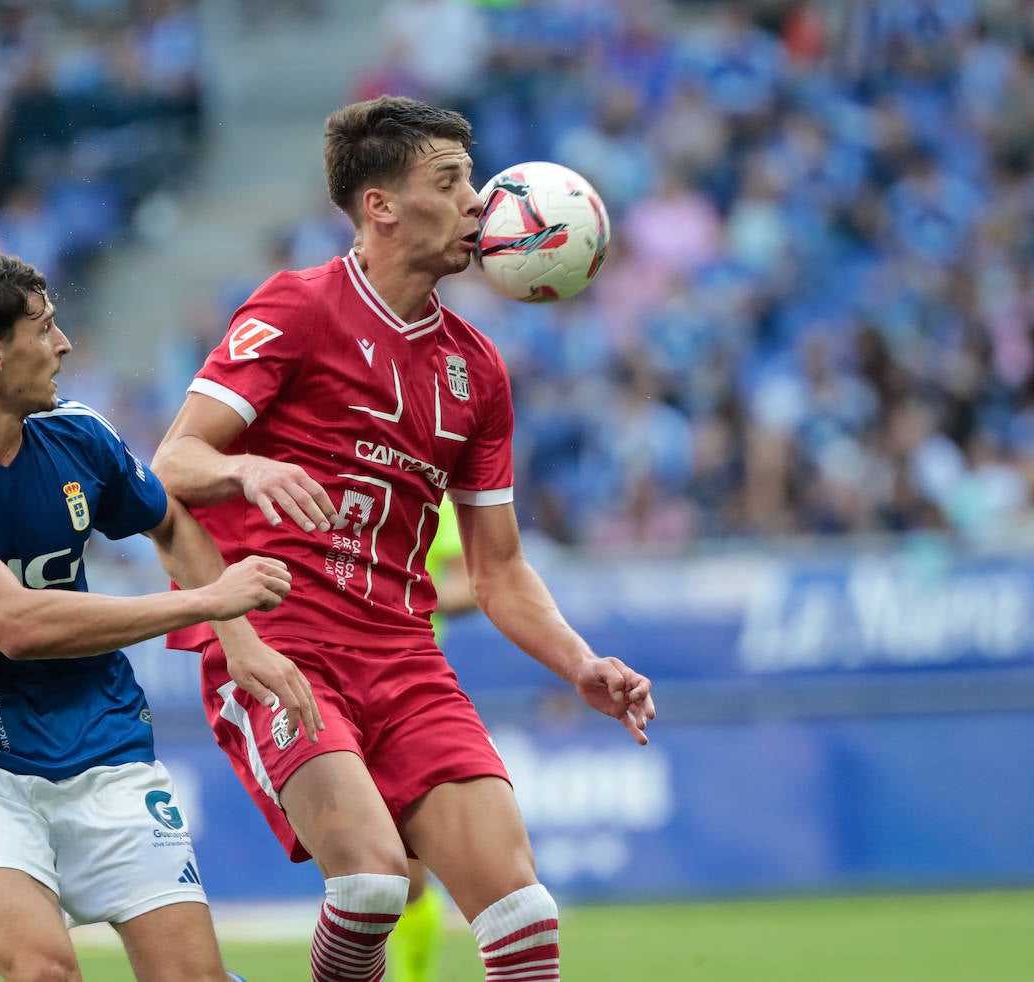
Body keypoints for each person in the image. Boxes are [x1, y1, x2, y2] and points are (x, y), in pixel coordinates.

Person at [151, 95, 656, 982]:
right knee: (374, 887)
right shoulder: (298, 308)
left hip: (403, 653)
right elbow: (171, 464)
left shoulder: (478, 371)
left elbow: (499, 571)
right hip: (280, 643)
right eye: (452, 181)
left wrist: (580, 663)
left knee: (524, 915)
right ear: (380, 204)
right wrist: (249, 471)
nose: (479, 203)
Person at [0, 247, 323, 982]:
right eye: (45, 327)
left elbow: (170, 524)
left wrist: (241, 641)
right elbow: (17, 624)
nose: (63, 344)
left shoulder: (80, 436)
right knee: (45, 971)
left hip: (101, 745)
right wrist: (203, 602)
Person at [387, 495, 471, 982]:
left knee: (404, 876)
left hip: (410, 690)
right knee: (369, 877)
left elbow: (473, 583)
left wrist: (390, 587)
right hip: (327, 683)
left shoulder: (427, 493)